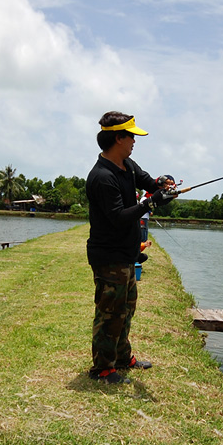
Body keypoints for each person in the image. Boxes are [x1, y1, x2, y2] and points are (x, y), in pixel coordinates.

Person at [85, 111, 176, 384]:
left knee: (126, 309)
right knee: (110, 312)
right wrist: (150, 203)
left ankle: (122, 358)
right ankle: (102, 368)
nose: (135, 141)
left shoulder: (127, 164)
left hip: (126, 254)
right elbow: (119, 217)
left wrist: (161, 184)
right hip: (108, 255)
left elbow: (147, 182)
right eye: (132, 136)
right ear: (118, 138)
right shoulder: (101, 177)